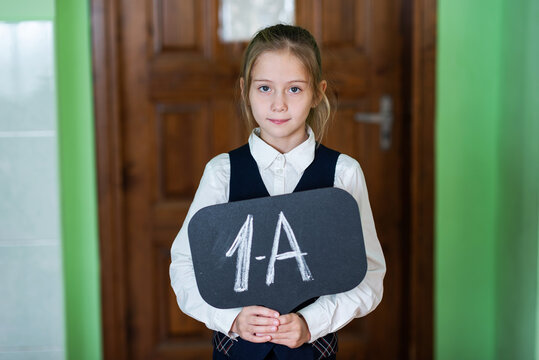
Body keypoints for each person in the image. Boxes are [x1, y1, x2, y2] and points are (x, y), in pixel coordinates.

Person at [169, 24, 385, 360]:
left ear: (317, 92)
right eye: (265, 88)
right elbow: (184, 264)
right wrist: (232, 319)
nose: (279, 104)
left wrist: (311, 323)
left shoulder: (343, 174)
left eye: (295, 89)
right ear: (245, 90)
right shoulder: (221, 174)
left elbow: (369, 274)